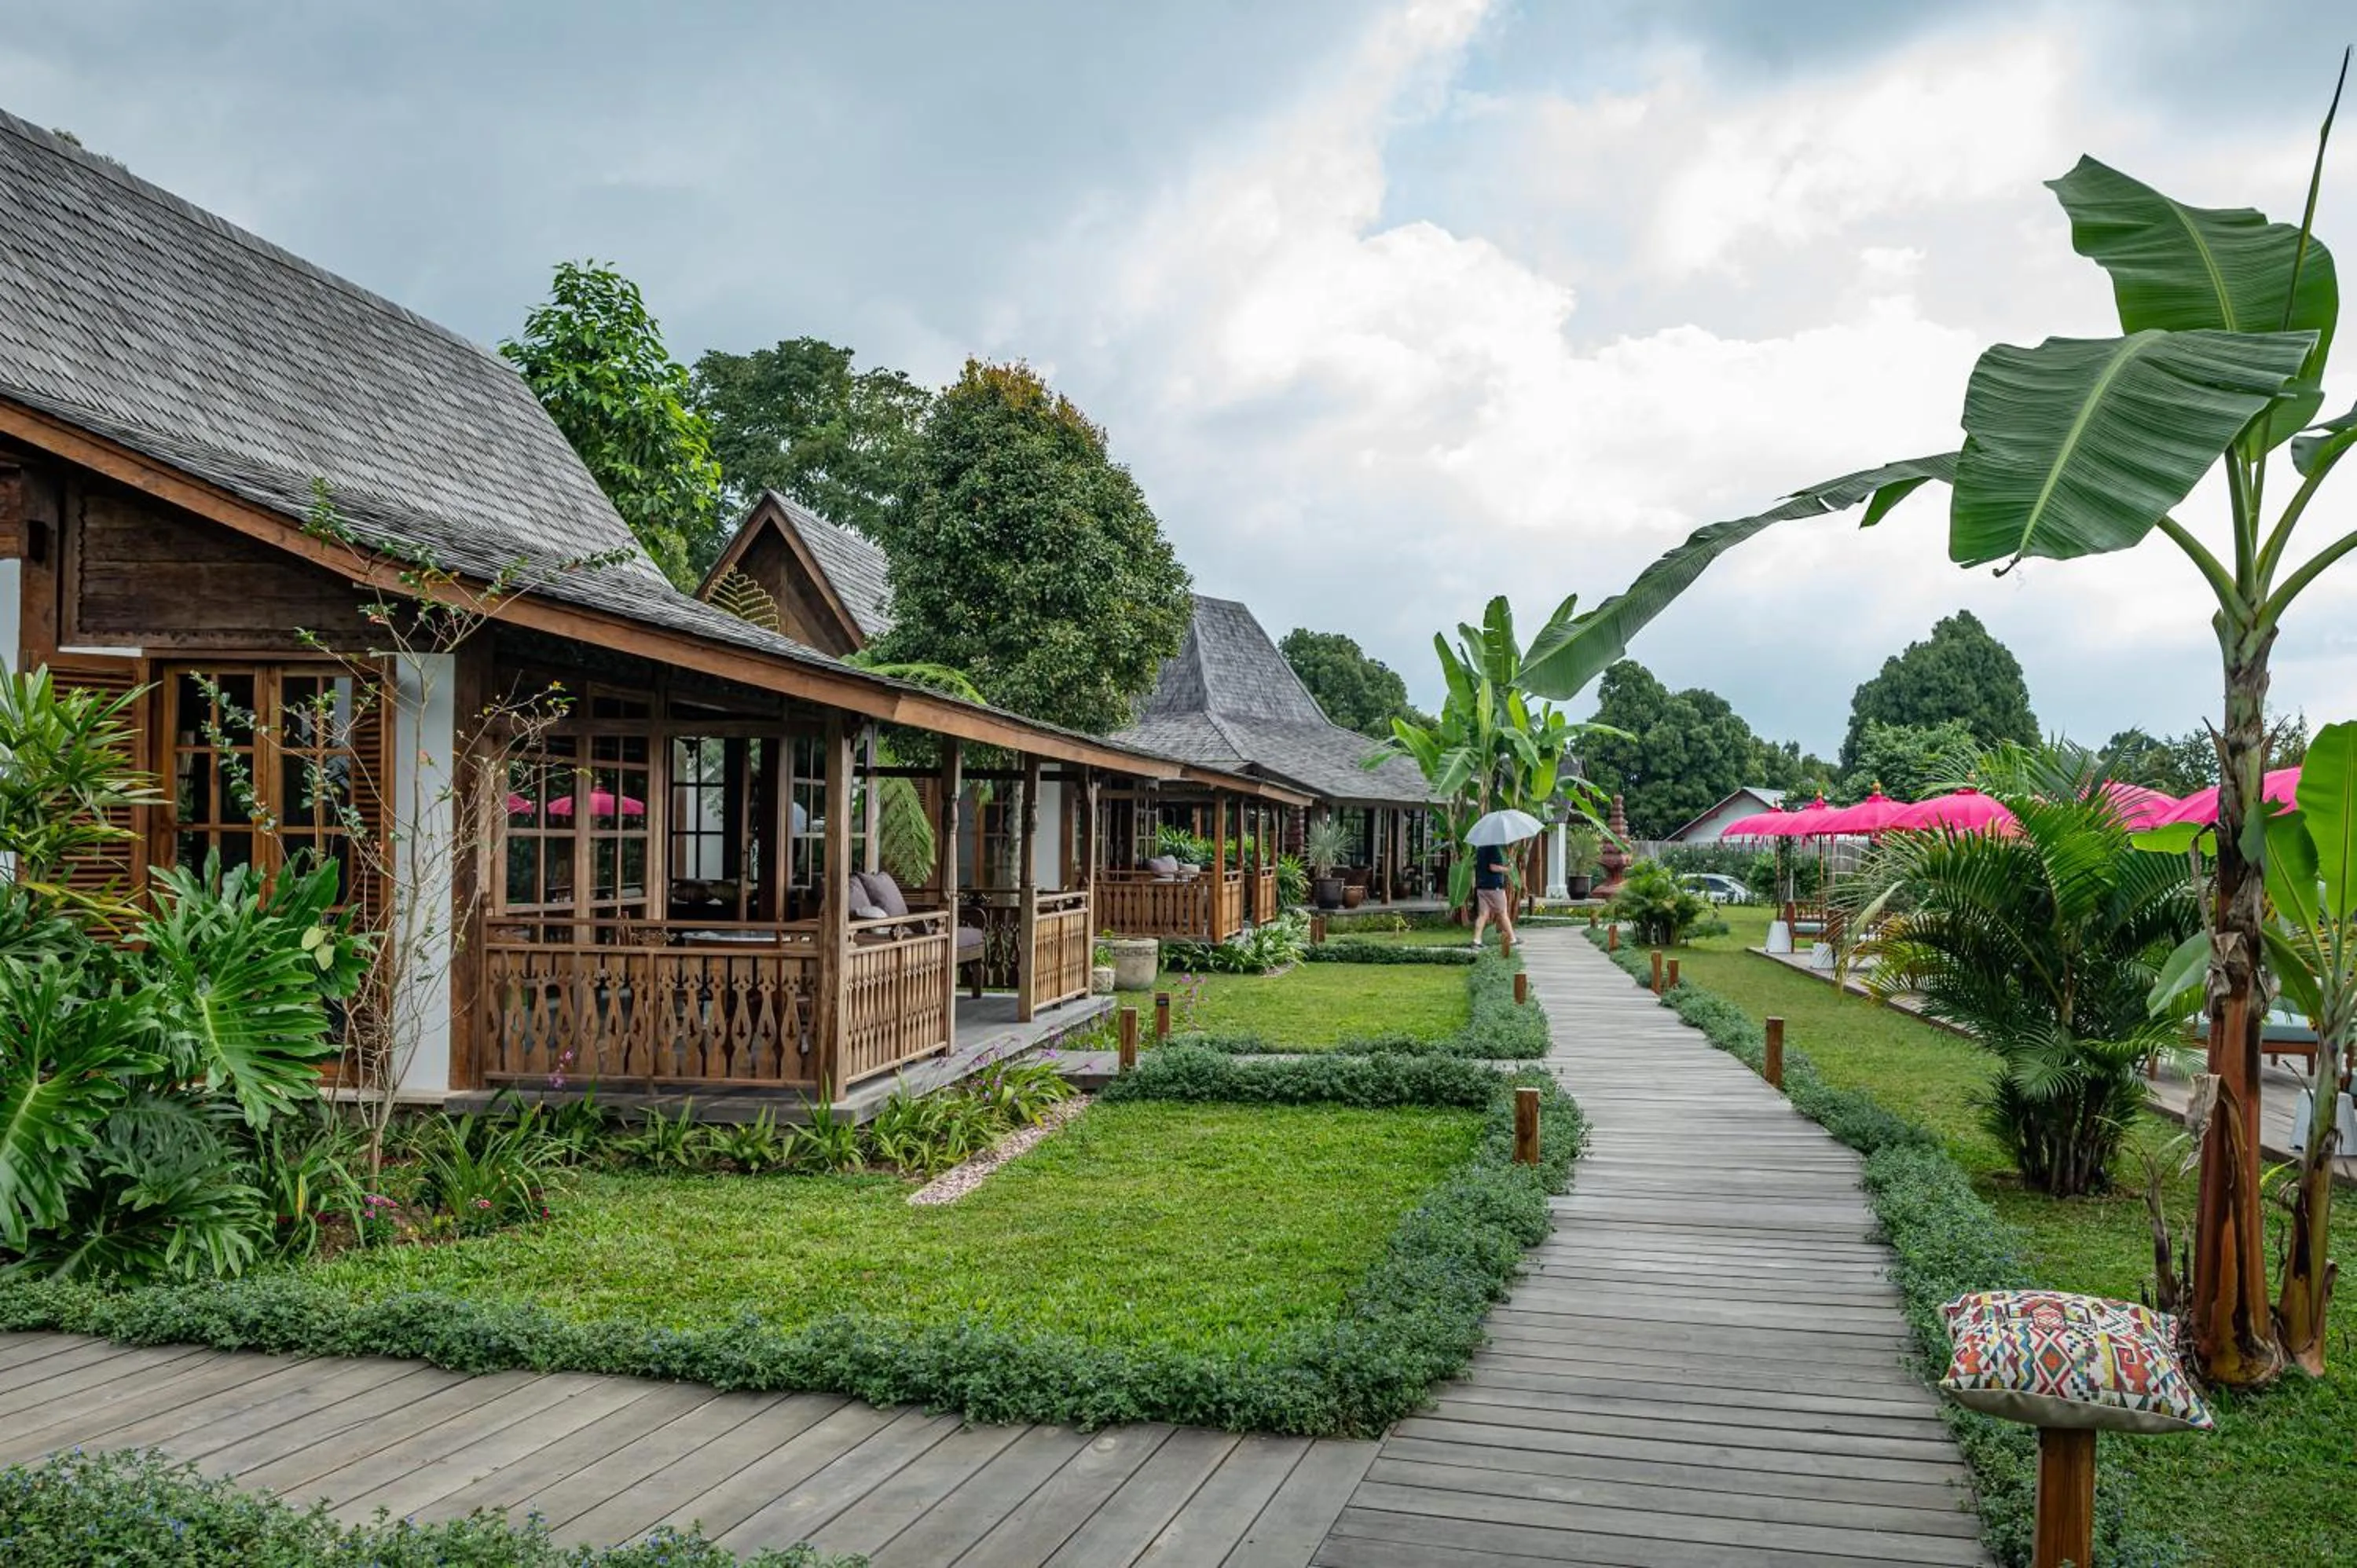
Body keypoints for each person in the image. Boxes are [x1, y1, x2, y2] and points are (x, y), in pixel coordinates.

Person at [1469, 839, 1515, 949]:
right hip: (1494, 887)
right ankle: (1512, 939)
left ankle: (1477, 940)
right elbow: (1493, 867)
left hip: (1482, 886)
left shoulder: (1480, 848)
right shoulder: (1494, 848)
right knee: (1503, 912)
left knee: (1483, 914)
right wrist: (1507, 869)